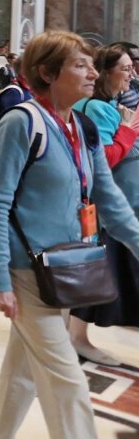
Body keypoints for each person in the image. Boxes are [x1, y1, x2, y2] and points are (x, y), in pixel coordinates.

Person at [0, 31, 139, 438]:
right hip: (28, 269)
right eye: (80, 65)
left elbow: (108, 198)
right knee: (67, 380)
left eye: (91, 64)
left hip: (67, 265)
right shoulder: (20, 124)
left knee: (23, 375)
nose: (92, 73)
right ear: (48, 72)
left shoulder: (80, 126)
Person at [68, 44, 139, 365]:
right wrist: (128, 130)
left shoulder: (107, 105)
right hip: (106, 207)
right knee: (100, 269)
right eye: (125, 69)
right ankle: (76, 338)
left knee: (106, 271)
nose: (131, 74)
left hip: (115, 205)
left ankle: (75, 336)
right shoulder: (97, 107)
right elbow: (106, 157)